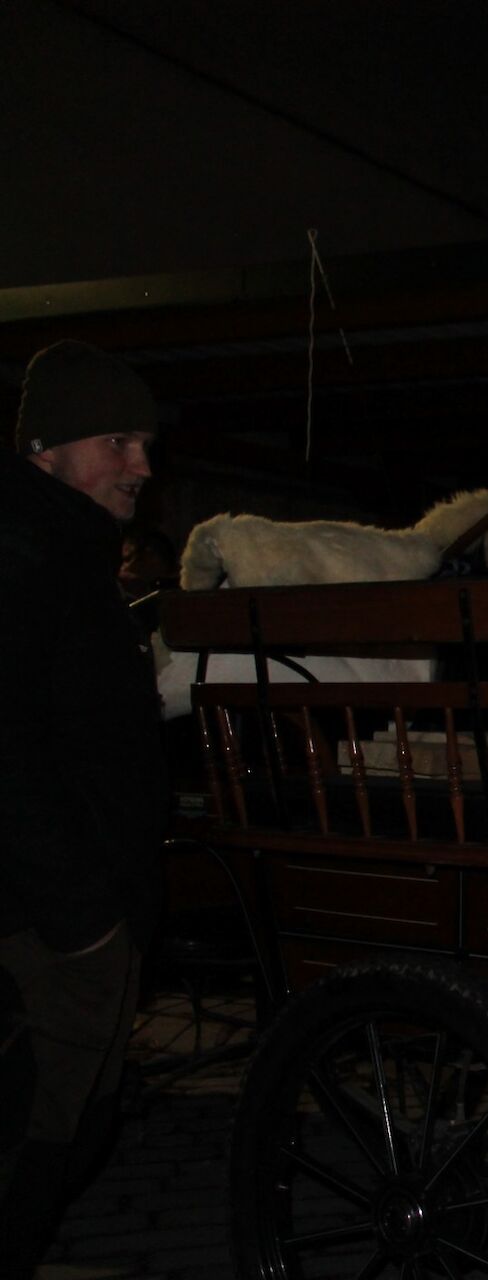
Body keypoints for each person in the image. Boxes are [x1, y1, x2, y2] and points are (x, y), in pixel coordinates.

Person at [1, 340, 170, 1276]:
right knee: (32, 1136)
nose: (140, 466)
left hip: (88, 908)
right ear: (46, 449)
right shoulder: (22, 555)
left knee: (71, 1132)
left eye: (144, 443)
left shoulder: (68, 551)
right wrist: (81, 921)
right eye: (116, 442)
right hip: (47, 921)